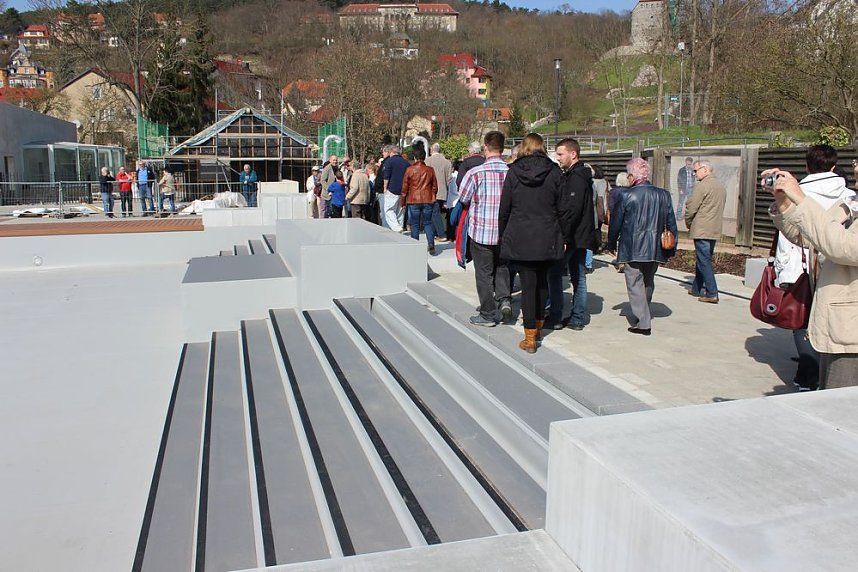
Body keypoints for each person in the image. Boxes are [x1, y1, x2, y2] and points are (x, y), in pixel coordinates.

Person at [764, 167, 858, 390]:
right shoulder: (852, 202)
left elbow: (843, 247)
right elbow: (810, 235)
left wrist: (800, 197)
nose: (856, 168)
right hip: (839, 326)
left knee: (839, 411)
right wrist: (784, 202)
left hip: (851, 333)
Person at [499, 133, 571, 352]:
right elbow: (564, 208)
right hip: (548, 234)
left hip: (521, 234)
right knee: (542, 283)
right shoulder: (555, 172)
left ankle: (530, 335)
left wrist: (503, 233)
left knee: (528, 285)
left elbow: (505, 208)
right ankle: (538, 325)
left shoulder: (513, 172)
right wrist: (564, 236)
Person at [606, 158, 678, 336]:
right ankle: (644, 311)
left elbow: (616, 222)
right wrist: (671, 248)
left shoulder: (626, 195)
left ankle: (643, 321)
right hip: (655, 246)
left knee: (634, 282)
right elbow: (671, 222)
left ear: (631, 176)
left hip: (633, 245)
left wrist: (611, 242)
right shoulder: (664, 195)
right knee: (648, 279)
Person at [458, 131, 511, 326]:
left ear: (485, 148)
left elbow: (463, 197)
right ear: (502, 149)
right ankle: (504, 300)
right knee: (502, 268)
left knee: (484, 273)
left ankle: (488, 313)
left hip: (481, 230)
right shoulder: (511, 173)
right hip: (505, 231)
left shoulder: (475, 173)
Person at [546, 138, 598, 331]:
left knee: (555, 274)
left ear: (573, 154)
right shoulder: (579, 174)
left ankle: (558, 315)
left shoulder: (576, 177)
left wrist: (565, 237)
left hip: (574, 236)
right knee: (578, 276)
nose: (557, 158)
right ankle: (576, 317)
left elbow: (572, 210)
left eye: (560, 154)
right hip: (580, 235)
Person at [685, 159, 727, 304]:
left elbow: (692, 208)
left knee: (704, 261)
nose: (694, 174)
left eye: (695, 171)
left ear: (705, 169)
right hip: (713, 228)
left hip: (702, 228)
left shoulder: (702, 186)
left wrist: (688, 221)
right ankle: (697, 287)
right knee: (703, 259)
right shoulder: (720, 186)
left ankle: (712, 292)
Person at [400, 146, 438, 254]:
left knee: (414, 224)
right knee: (427, 223)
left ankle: (415, 247)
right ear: (424, 157)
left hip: (413, 199)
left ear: (415, 157)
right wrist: (433, 196)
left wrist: (402, 202)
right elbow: (435, 186)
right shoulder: (430, 170)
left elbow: (404, 187)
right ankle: (431, 244)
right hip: (427, 199)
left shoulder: (410, 170)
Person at [425, 142, 453, 242]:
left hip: (430, 191)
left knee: (434, 213)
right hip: (443, 191)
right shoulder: (447, 162)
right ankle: (434, 233)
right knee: (435, 212)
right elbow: (449, 179)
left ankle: (441, 233)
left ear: (432, 150)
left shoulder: (427, 161)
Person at [382, 145, 411, 232]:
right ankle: (400, 226)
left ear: (391, 152)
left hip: (392, 189)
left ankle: (396, 227)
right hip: (403, 190)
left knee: (389, 210)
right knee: (400, 211)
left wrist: (385, 187)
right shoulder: (406, 163)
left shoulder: (389, 162)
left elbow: (386, 176)